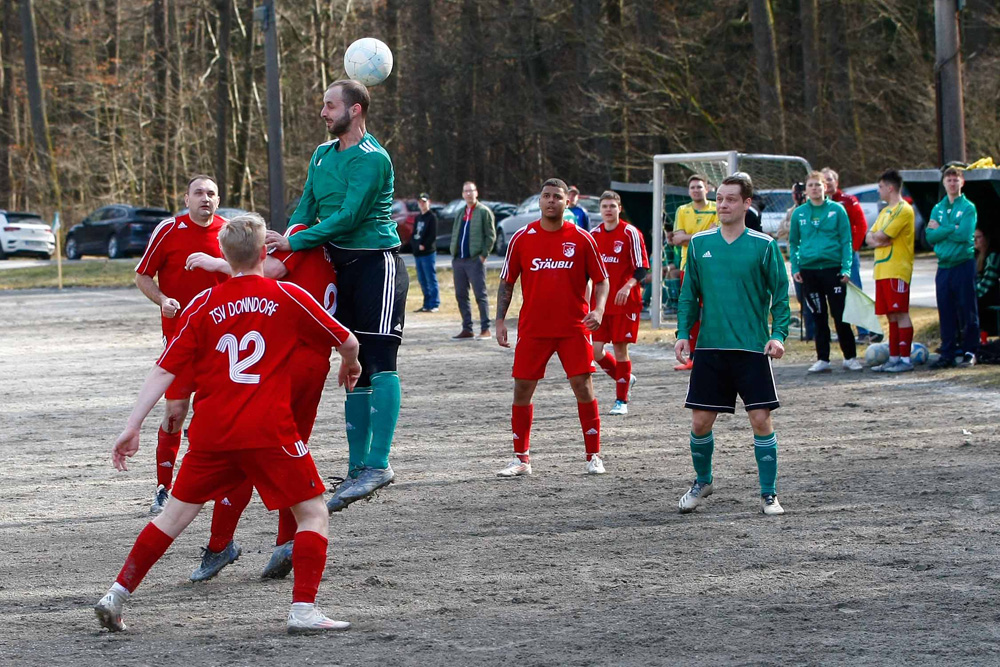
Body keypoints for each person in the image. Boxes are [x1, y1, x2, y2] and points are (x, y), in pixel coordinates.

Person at [94, 214, 361, 634]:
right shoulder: (287, 295)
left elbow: (164, 371)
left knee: (171, 518)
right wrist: (351, 363)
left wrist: (133, 425)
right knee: (312, 514)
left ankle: (116, 594)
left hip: (212, 434)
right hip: (270, 431)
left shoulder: (202, 305)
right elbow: (347, 339)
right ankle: (303, 610)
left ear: (223, 254)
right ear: (264, 253)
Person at [265, 79, 406, 509]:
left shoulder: (372, 159)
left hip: (375, 265)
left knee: (379, 360)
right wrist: (288, 239)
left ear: (356, 110)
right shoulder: (322, 155)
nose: (323, 112)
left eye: (330, 105)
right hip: (338, 268)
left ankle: (379, 464)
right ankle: (356, 469)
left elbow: (347, 218)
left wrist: (295, 245)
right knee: (354, 365)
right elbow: (306, 208)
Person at [185, 220, 339, 579]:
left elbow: (264, 271)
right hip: (317, 361)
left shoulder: (301, 234)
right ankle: (287, 541)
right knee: (292, 455)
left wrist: (218, 263)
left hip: (289, 359)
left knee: (249, 450)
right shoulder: (341, 246)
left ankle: (220, 544)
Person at [673, 173, 790, 516]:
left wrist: (778, 335)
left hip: (752, 348)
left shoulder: (763, 245)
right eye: (720, 198)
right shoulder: (698, 243)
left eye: (730, 199)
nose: (722, 204)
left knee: (760, 419)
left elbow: (780, 298)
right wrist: (683, 333)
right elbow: (687, 297)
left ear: (746, 204)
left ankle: (768, 493)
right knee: (700, 423)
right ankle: (703, 480)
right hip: (710, 348)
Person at [495, 178, 610, 476]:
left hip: (574, 328)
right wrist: (499, 321)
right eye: (546, 196)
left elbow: (602, 280)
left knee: (583, 387)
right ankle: (521, 459)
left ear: (566, 202)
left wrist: (598, 309)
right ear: (539, 201)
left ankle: (593, 456)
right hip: (533, 328)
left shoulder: (582, 238)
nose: (550, 201)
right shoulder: (522, 238)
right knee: (522, 388)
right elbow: (506, 282)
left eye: (556, 197)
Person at [134, 175, 228, 515]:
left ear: (218, 200)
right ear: (186, 198)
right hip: (179, 340)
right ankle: (163, 487)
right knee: (175, 413)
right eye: (199, 193)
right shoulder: (168, 231)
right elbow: (143, 275)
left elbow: (250, 273)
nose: (205, 198)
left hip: (221, 343)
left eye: (211, 194)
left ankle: (216, 486)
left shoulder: (229, 233)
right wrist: (162, 299)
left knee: (216, 415)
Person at [789, 170, 861, 373]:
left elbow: (846, 241)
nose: (814, 188)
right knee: (818, 316)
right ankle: (823, 359)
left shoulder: (837, 210)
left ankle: (850, 357)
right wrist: (796, 267)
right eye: (811, 185)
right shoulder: (799, 213)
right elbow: (793, 243)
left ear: (825, 187)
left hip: (833, 269)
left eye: (818, 185)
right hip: (809, 271)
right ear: (806, 189)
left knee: (840, 315)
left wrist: (846, 267)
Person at [590, 190, 649, 415]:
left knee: (620, 349)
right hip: (602, 304)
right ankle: (625, 378)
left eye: (612, 206)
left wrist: (627, 286)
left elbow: (641, 267)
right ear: (600, 209)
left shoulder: (630, 233)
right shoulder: (594, 235)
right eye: (604, 206)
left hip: (625, 302)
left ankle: (621, 401)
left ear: (619, 209)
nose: (608, 210)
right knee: (596, 352)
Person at [927, 166, 979, 368]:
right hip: (944, 266)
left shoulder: (968, 207)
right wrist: (950, 229)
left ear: (962, 182)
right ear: (943, 183)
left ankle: (970, 351)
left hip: (963, 264)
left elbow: (965, 235)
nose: (952, 183)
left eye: (955, 179)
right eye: (948, 179)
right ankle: (947, 352)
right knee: (946, 309)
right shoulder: (937, 208)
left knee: (968, 309)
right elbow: (930, 237)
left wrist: (942, 229)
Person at [865, 169, 916, 372]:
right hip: (882, 270)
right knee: (891, 316)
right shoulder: (885, 211)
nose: (878, 191)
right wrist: (877, 238)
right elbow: (870, 237)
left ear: (890, 187)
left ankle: (906, 359)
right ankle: (893, 357)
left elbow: (883, 236)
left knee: (901, 312)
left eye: (880, 187)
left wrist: (879, 238)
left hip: (897, 269)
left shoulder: (904, 209)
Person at [667, 174, 717, 371]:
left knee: (713, 310)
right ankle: (694, 356)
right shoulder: (683, 210)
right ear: (689, 191)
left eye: (699, 187)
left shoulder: (716, 208)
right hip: (688, 265)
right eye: (693, 187)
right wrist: (702, 235)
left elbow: (717, 236)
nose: (696, 190)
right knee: (691, 312)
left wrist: (688, 237)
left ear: (707, 189)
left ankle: (714, 353)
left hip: (712, 266)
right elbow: (677, 239)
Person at [822, 167, 874, 343]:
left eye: (830, 179)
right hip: (828, 257)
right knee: (834, 295)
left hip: (847, 254)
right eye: (824, 180)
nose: (827, 183)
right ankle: (841, 331)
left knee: (854, 290)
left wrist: (853, 249)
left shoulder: (848, 201)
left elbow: (861, 224)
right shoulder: (817, 204)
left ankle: (864, 331)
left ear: (836, 182)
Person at [450, 181, 496, 340]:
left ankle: (486, 329)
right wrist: (453, 254)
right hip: (459, 260)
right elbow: (456, 233)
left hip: (475, 260)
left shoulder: (484, 212)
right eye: (465, 191)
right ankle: (467, 328)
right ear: (462, 194)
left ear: (476, 193)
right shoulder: (460, 212)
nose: (468, 194)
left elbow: (491, 236)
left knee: (480, 295)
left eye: (471, 191)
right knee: (461, 295)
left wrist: (483, 255)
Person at [777, 182, 815, 342]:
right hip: (796, 260)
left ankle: (815, 330)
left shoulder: (812, 209)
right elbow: (780, 232)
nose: (798, 196)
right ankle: (809, 330)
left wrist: (792, 226)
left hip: (812, 259)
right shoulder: (791, 212)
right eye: (795, 193)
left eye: (800, 193)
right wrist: (792, 224)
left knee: (813, 298)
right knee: (801, 297)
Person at [412, 193, 440, 312]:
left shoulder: (432, 217)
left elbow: (432, 235)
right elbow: (414, 234)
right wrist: (415, 246)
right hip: (418, 254)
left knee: (430, 278)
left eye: (424, 201)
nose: (422, 204)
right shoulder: (418, 218)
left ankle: (434, 303)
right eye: (420, 202)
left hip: (428, 253)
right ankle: (426, 304)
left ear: (429, 202)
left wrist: (424, 245)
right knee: (422, 279)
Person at [974, 226, 1000, 341]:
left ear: (986, 239)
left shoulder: (992, 256)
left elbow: (987, 283)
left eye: (978, 237)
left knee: (972, 303)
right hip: (982, 292)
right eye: (973, 238)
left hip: (991, 294)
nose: (975, 241)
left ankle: (982, 334)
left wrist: (972, 294)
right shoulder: (977, 256)